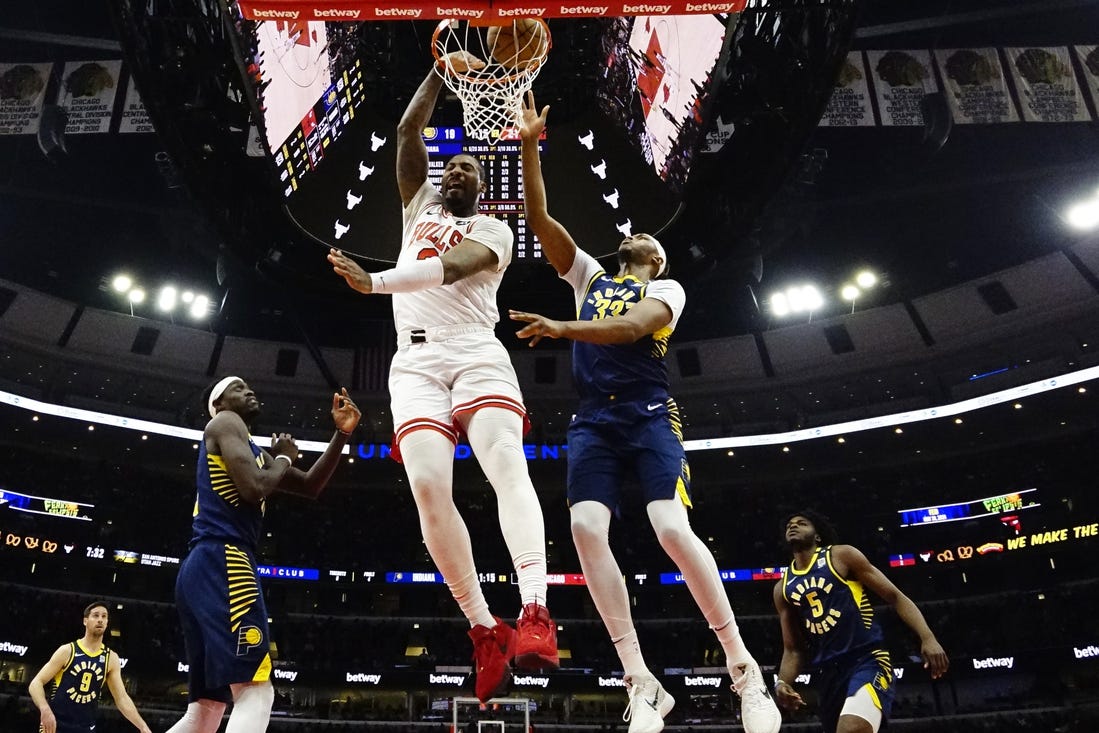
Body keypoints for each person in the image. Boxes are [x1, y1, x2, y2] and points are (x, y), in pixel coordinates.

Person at [510, 92, 781, 733]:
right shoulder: (588, 277)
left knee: (669, 526)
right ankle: (639, 679)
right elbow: (542, 220)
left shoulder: (665, 287)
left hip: (649, 411)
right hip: (593, 420)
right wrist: (528, 146)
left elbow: (632, 331)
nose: (635, 234)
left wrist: (562, 327)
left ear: (655, 258)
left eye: (647, 239)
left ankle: (744, 670)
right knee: (582, 532)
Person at [327, 53, 558, 704]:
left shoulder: (492, 230)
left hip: (475, 352)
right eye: (451, 163)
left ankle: (536, 610)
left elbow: (449, 269)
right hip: (414, 361)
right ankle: (486, 629)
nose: (456, 169)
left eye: (468, 168)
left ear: (480, 187)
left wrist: (372, 280)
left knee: (503, 462)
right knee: (428, 488)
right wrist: (438, 70)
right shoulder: (419, 201)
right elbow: (408, 134)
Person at [166, 377, 361, 732]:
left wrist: (342, 436)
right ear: (219, 403)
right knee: (257, 692)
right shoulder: (226, 423)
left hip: (203, 566)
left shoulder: (253, 450)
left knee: (206, 710)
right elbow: (255, 488)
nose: (249, 390)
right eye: (238, 387)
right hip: (225, 558)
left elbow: (310, 486)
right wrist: (285, 456)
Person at [774, 510, 949, 733]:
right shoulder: (782, 587)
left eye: (801, 523)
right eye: (790, 524)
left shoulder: (841, 556)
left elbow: (895, 596)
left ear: (817, 536)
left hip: (867, 659)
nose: (793, 526)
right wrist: (782, 682)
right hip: (828, 672)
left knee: (851, 729)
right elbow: (793, 649)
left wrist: (928, 637)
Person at [28, 601, 152, 733]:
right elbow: (35, 683)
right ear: (85, 621)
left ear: (107, 622)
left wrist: (142, 726)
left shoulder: (111, 658)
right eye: (96, 615)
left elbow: (121, 698)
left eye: (104, 616)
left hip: (86, 728)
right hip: (56, 725)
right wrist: (45, 709)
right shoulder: (68, 651)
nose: (100, 620)